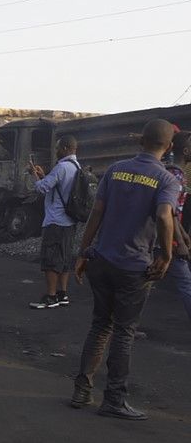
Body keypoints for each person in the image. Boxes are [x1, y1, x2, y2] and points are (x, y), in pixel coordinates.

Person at [70, 119, 180, 420]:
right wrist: (167, 254)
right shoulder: (166, 179)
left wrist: (83, 252)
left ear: (139, 141)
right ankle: (115, 399)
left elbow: (97, 211)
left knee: (100, 325)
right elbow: (163, 214)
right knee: (123, 332)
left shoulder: (116, 170)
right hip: (134, 268)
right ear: (169, 147)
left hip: (101, 260)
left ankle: (82, 390)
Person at [28, 136, 80, 309]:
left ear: (65, 148)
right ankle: (62, 294)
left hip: (55, 221)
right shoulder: (76, 167)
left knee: (50, 259)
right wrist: (44, 175)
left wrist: (35, 176)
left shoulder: (61, 167)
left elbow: (42, 188)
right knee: (64, 259)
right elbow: (58, 187)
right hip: (70, 221)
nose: (55, 151)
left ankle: (50, 296)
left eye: (58, 148)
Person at [162, 130, 191, 321]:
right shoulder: (176, 176)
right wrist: (179, 241)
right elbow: (167, 212)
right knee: (186, 283)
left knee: (140, 284)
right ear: (187, 151)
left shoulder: (173, 172)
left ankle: (125, 324)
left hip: (164, 237)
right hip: (166, 239)